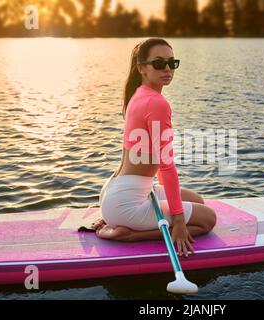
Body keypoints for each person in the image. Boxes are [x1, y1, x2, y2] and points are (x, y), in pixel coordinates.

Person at [93, 38, 217, 256]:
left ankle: (116, 216)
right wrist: (178, 222)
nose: (167, 69)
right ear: (141, 68)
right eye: (159, 63)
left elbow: (153, 160)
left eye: (172, 63)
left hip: (115, 192)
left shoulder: (138, 93)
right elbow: (167, 166)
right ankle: (129, 234)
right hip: (126, 202)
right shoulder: (157, 103)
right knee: (208, 219)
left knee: (197, 201)